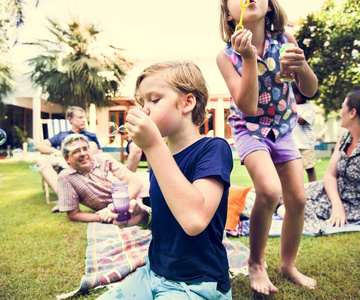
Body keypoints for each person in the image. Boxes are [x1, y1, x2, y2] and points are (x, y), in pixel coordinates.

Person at [97, 61, 233, 299]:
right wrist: (144, 216)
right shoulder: (161, 157)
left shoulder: (213, 149)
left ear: (187, 103)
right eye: (142, 102)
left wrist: (153, 146)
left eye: (154, 99)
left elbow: (194, 220)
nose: (144, 110)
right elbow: (171, 218)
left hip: (196, 282)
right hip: (154, 273)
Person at [217, 0, 318, 295]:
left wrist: (303, 67)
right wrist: (249, 58)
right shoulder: (226, 57)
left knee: (298, 198)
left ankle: (288, 264)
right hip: (249, 130)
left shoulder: (285, 41)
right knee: (271, 191)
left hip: (284, 127)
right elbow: (247, 107)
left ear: (270, 7)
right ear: (227, 13)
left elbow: (309, 90)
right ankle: (256, 263)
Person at [277, 90, 360, 233]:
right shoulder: (345, 137)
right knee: (284, 195)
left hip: (356, 205)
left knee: (286, 208)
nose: (340, 112)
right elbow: (330, 175)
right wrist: (336, 205)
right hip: (334, 194)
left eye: (342, 107)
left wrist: (339, 207)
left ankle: (313, 226)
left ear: (352, 113)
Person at [56, 133, 143, 223]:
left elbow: (136, 182)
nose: (83, 153)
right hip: (133, 208)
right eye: (76, 151)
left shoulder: (103, 159)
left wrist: (113, 207)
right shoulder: (66, 177)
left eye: (85, 149)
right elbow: (73, 215)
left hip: (145, 191)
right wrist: (104, 216)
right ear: (67, 159)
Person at [34, 106, 102, 195]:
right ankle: (63, 195)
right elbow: (38, 146)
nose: (84, 120)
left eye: (84, 117)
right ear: (70, 120)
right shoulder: (62, 135)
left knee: (92, 145)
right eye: (80, 117)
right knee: (41, 159)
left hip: (85, 161)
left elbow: (100, 155)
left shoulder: (91, 136)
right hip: (64, 161)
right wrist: (56, 151)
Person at [292, 81, 318, 182]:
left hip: (305, 144)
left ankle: (313, 186)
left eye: (293, 93)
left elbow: (302, 121)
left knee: (309, 168)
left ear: (300, 94)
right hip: (292, 144)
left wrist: (290, 114)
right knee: (293, 170)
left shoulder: (309, 107)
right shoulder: (291, 106)